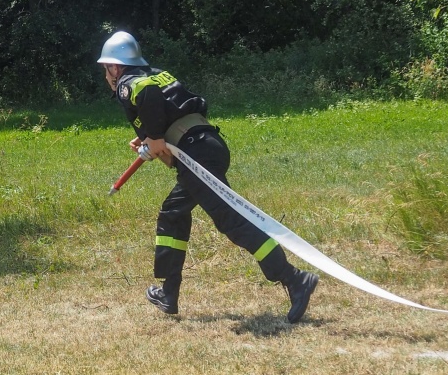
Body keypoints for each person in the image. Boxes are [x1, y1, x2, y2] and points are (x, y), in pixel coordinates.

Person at [97, 31, 319, 322]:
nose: (107, 75)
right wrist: (151, 137)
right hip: (207, 144)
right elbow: (174, 108)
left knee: (232, 221)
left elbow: (147, 95)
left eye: (106, 69)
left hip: (196, 155)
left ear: (115, 67)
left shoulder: (129, 82)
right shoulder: (157, 73)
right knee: (173, 213)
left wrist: (155, 136)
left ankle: (294, 279)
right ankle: (169, 293)